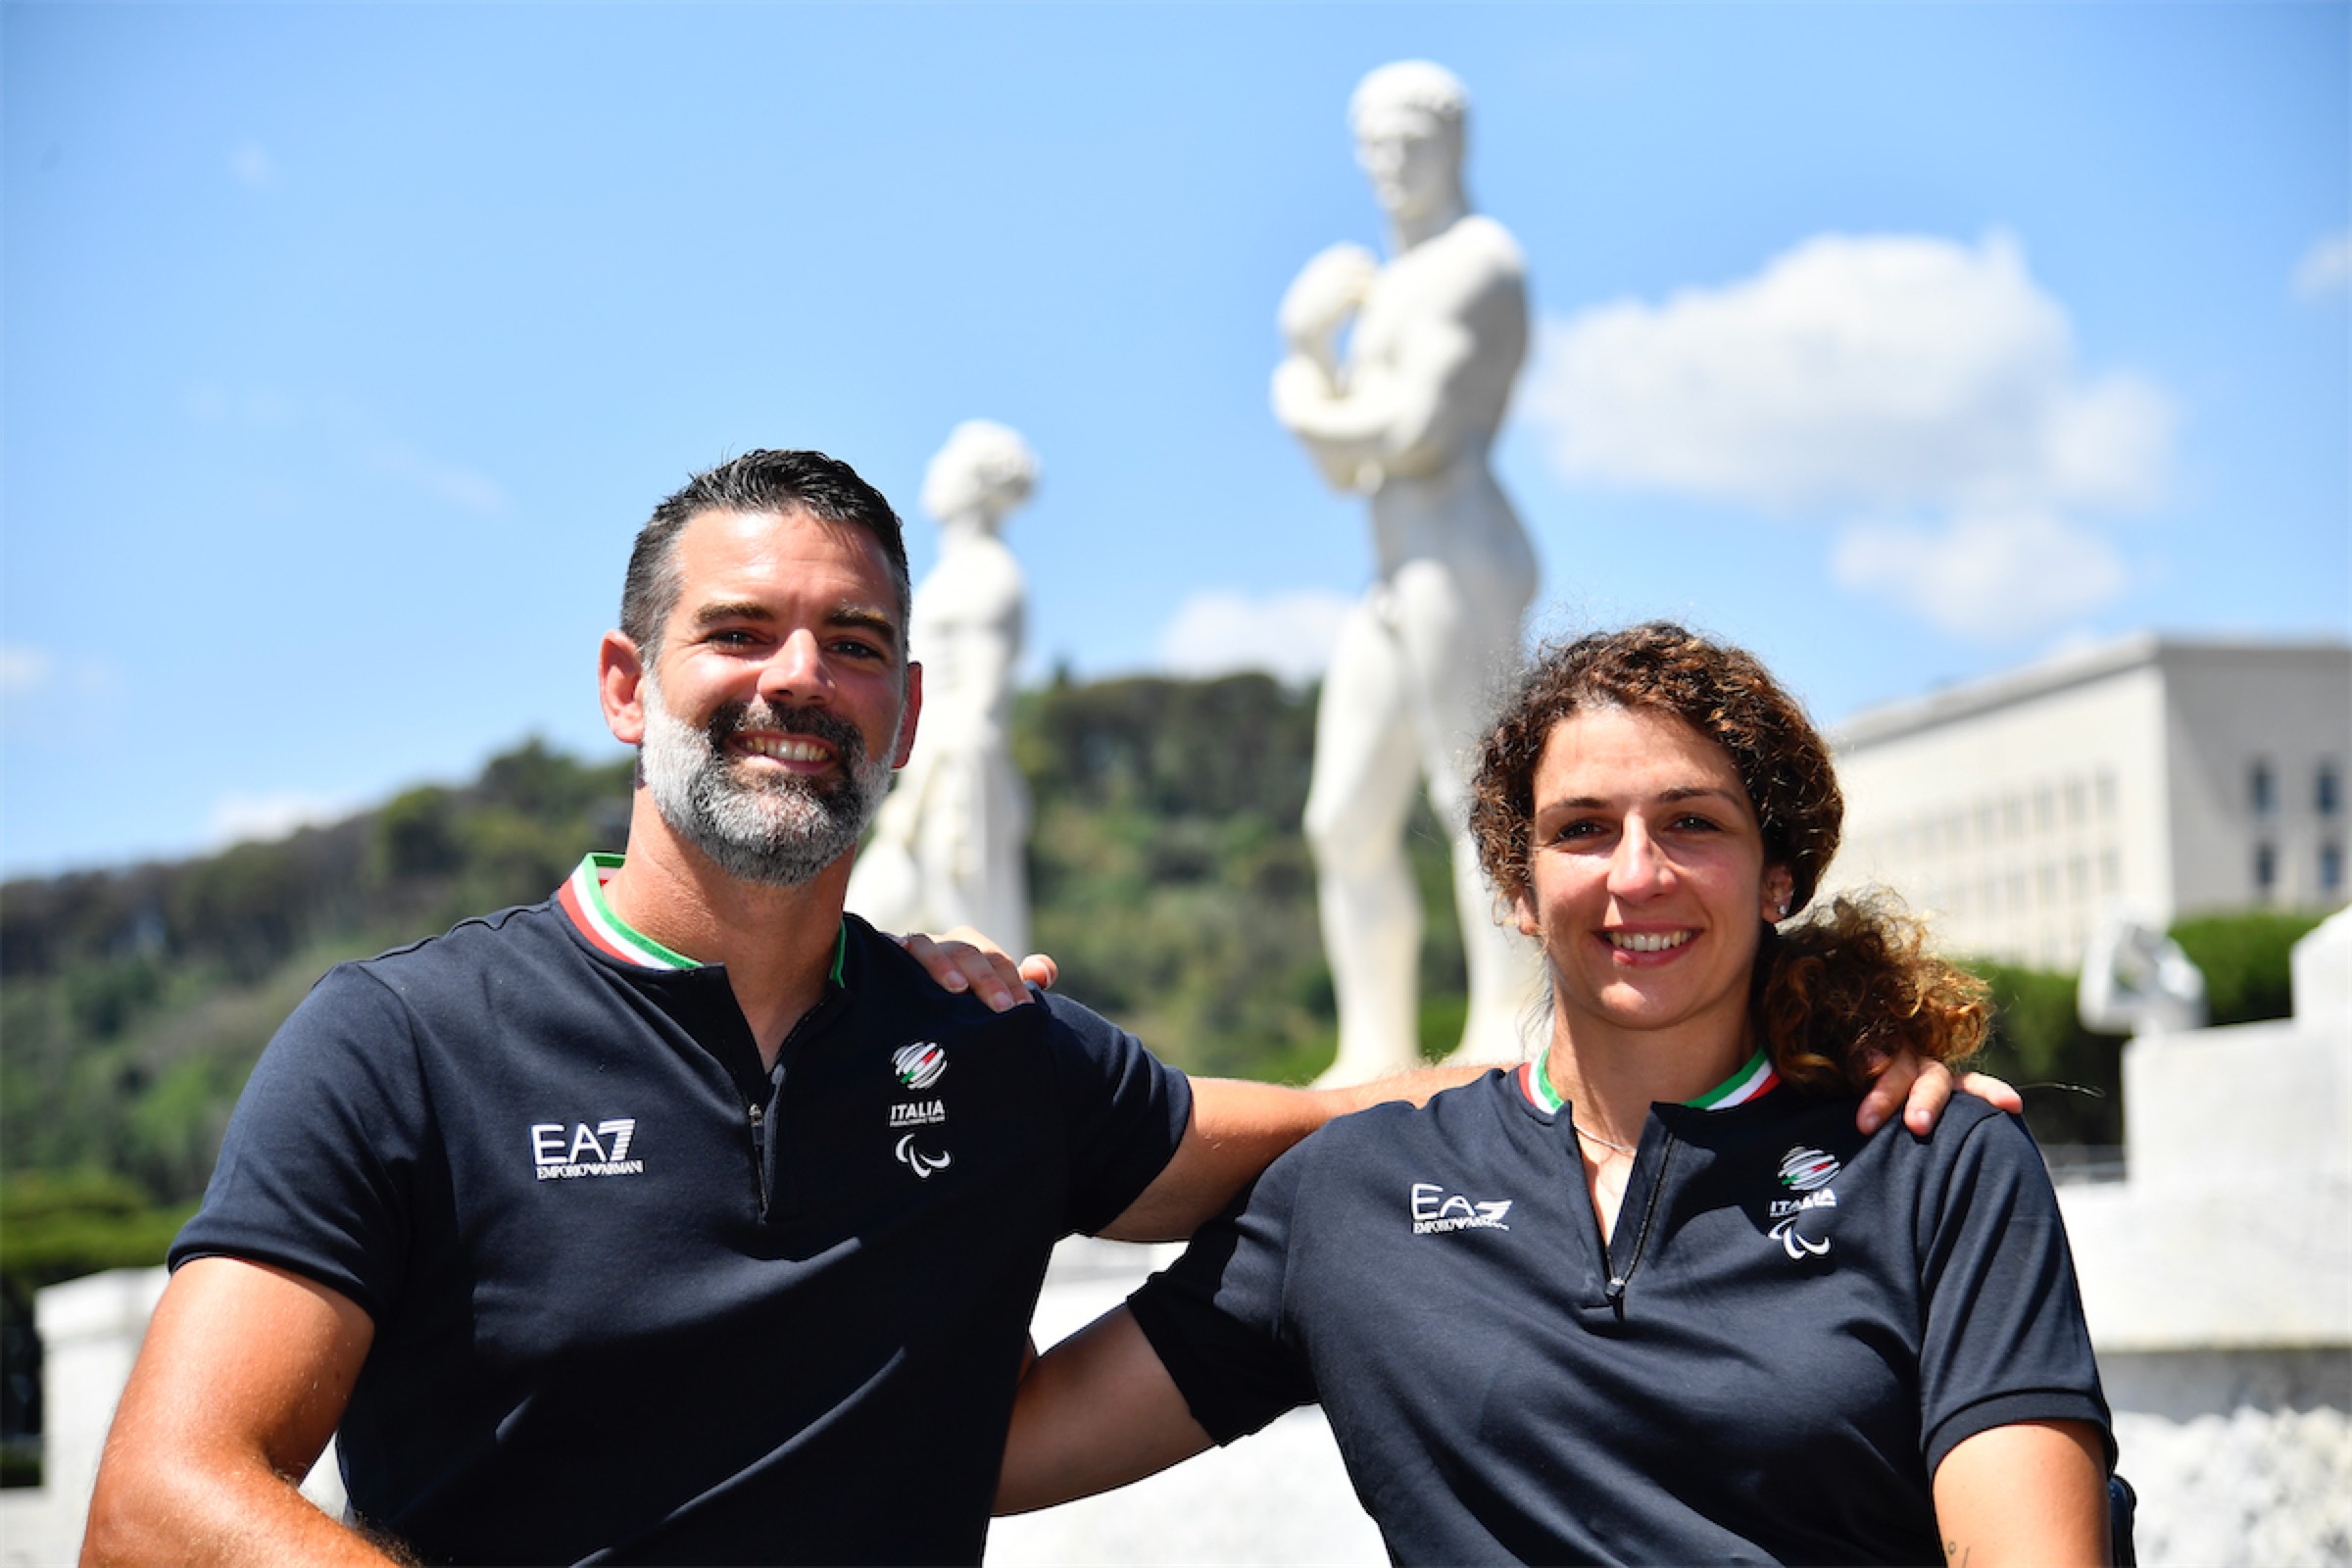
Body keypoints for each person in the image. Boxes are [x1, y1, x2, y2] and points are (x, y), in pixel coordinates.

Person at [80, 455, 1986, 1568]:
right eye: (738, 633)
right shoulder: (401, 1037)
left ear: (907, 712)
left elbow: (1357, 1128)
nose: (794, 679)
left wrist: (1799, 1033)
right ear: (620, 680)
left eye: (849, 644)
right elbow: (162, 1502)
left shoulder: (995, 1051)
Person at [998, 622, 2114, 1564]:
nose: (1636, 873)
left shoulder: (1935, 1162)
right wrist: (955, 1057)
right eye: (1582, 829)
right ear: (1517, 887)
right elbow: (1001, 1446)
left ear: (1779, 873)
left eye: (1693, 821)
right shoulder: (1350, 1195)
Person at [1273, 61, 1546, 1083]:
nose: (1391, 165)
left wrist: (1295, 383)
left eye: (1411, 143)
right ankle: (1373, 1049)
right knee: (1341, 816)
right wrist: (1309, 351)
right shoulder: (1394, 284)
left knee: (1473, 791)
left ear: (1454, 145)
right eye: (1374, 147)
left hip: (1459, 552)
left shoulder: (1480, 262)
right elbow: (1351, 465)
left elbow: (1414, 430)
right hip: (1395, 571)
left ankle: (1508, 1024)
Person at [847, 419, 1037, 956]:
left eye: (947, 461)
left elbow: (979, 701)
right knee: (868, 918)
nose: (933, 471)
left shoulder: (991, 576)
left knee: (967, 939)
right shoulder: (958, 573)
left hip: (957, 776)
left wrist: (924, 789)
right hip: (929, 770)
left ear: (973, 483)